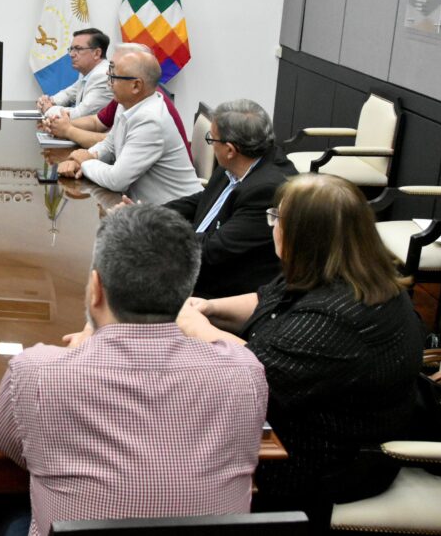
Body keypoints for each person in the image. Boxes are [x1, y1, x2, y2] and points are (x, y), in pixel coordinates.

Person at [0, 204, 268, 536]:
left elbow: (3, 436)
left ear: (96, 289)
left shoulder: (37, 373)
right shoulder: (245, 370)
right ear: (186, 291)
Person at [177, 173, 424, 527]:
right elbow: (270, 299)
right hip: (318, 428)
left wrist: (194, 326)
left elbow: (254, 371)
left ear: (303, 235)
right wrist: (209, 308)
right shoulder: (345, 269)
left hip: (327, 464)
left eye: (276, 219)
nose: (272, 226)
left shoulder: (338, 315)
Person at [163, 99, 297, 298]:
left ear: (230, 150)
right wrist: (151, 213)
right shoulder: (237, 163)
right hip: (197, 259)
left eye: (212, 139)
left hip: (222, 289)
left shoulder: (267, 191)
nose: (211, 144)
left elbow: (213, 250)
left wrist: (156, 231)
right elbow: (203, 200)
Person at [57, 44, 202, 204]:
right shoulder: (127, 103)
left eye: (114, 76)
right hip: (143, 208)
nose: (108, 79)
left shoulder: (150, 120)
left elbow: (116, 180)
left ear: (136, 86)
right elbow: (110, 145)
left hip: (175, 215)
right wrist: (85, 157)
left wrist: (85, 162)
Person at [43, 84, 191, 152]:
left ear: (136, 82)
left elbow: (115, 144)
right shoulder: (128, 95)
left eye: (114, 72)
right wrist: (61, 124)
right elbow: (96, 122)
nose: (109, 80)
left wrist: (68, 130)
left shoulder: (150, 111)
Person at [36, 28, 113, 120]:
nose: (71, 54)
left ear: (97, 53)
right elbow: (68, 94)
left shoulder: (103, 76)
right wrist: (49, 101)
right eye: (71, 49)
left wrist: (49, 109)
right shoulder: (87, 73)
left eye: (78, 49)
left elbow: (80, 115)